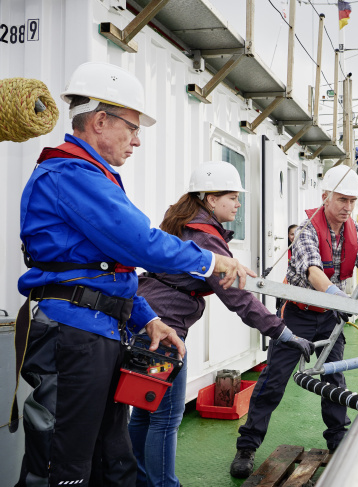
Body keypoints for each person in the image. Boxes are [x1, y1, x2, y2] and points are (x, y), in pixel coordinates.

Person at [13, 62, 250, 487]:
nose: (137, 141)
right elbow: (139, 242)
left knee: (112, 459)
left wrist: (148, 319)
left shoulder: (93, 177)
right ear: (101, 121)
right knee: (63, 466)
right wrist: (211, 262)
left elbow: (109, 270)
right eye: (132, 127)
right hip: (74, 335)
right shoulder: (71, 174)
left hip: (97, 332)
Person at [128, 162, 314, 487]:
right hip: (163, 333)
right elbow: (237, 299)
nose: (238, 204)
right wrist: (282, 332)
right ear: (211, 200)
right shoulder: (205, 237)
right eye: (233, 197)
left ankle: (136, 479)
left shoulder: (186, 225)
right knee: (166, 417)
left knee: (145, 409)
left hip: (145, 322)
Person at [229, 164, 358, 478]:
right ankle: (247, 447)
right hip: (298, 316)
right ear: (325, 197)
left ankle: (337, 440)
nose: (348, 207)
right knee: (273, 382)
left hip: (331, 317)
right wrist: (340, 298)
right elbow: (313, 272)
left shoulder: (356, 233)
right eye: (342, 200)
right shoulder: (308, 229)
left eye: (352, 201)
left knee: (335, 378)